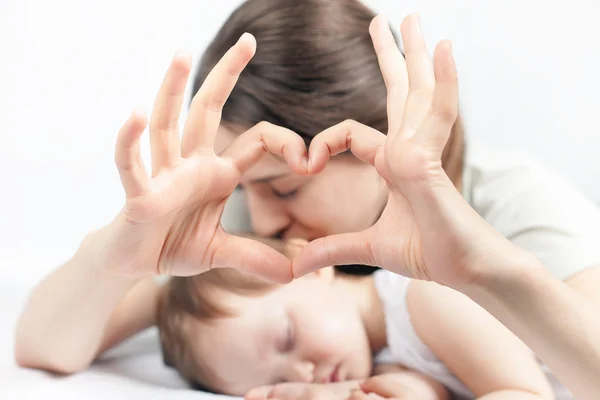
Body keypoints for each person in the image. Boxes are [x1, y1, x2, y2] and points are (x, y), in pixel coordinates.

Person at [14, 0, 600, 398]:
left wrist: (481, 268)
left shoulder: (518, 207)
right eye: (245, 187)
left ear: (372, 142)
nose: (263, 219)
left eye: (286, 186)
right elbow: (46, 347)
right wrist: (115, 256)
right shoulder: (256, 229)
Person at [156, 237, 564, 399]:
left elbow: (526, 395)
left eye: (286, 338)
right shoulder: (379, 357)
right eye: (278, 382)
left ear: (309, 266)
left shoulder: (426, 296)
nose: (303, 372)